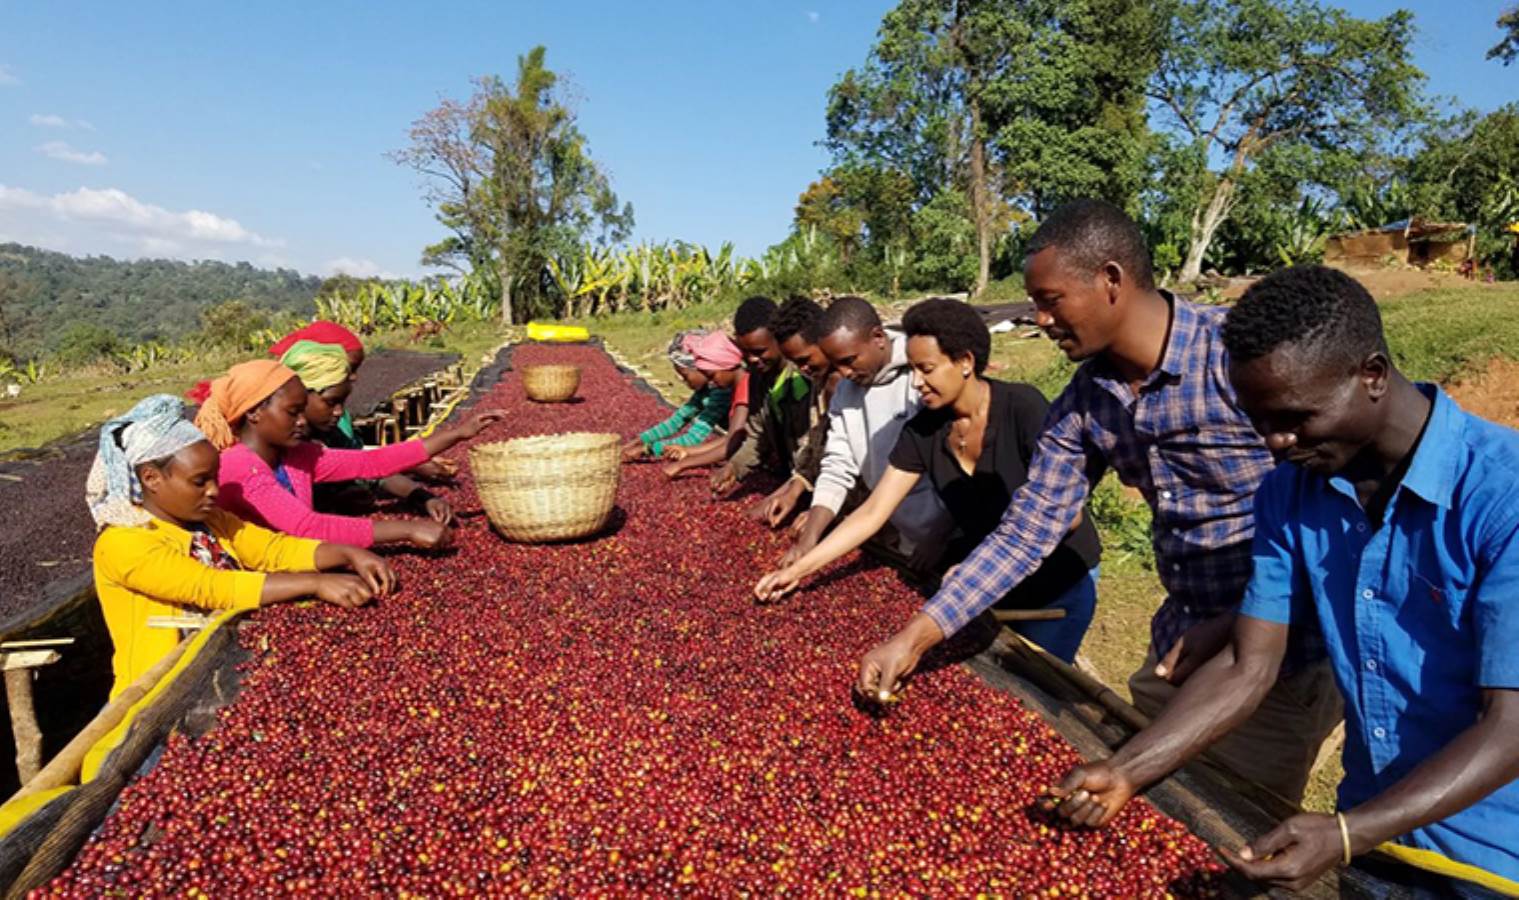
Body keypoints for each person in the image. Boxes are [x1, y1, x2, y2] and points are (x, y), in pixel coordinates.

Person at [1046, 266, 1519, 896]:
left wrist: (1348, 832)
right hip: (1378, 839)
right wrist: (1128, 770)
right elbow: (1249, 661)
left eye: (1296, 418)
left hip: (1490, 858)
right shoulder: (1290, 494)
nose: (1275, 442)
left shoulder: (1501, 497)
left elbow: (1510, 724)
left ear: (1372, 375)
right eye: (1260, 420)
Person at [855, 200, 1341, 805]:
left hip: (1283, 657)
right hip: (1180, 642)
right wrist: (917, 635)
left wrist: (1241, 621)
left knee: (1229, 820)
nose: (1040, 318)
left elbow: (1340, 513)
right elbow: (1026, 531)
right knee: (1161, 802)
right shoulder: (1088, 403)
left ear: (1111, 280)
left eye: (1051, 300)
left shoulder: (1237, 358)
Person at [754, 298, 1102, 662]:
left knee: (1042, 687)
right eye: (914, 371)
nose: (917, 383)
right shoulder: (924, 431)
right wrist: (799, 570)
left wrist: (971, 568)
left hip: (1058, 583)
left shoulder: (1022, 407)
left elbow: (1066, 515)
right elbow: (873, 512)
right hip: (988, 582)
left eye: (926, 369)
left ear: (965, 362)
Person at [88, 395, 395, 697]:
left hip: (222, 682)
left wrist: (346, 552)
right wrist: (315, 583)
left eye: (214, 479)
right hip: (157, 700)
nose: (214, 491)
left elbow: (274, 550)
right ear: (152, 478)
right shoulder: (123, 541)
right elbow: (210, 587)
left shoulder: (213, 521)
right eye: (199, 481)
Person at [194, 360, 498, 548]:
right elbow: (306, 527)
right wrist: (407, 529)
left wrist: (456, 434)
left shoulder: (297, 456)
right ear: (255, 413)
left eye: (302, 411)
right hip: (258, 574)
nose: (302, 421)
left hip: (303, 564)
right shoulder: (238, 467)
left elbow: (371, 463)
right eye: (292, 412)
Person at [784, 297, 949, 571]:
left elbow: (960, 470)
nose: (844, 373)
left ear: (878, 337)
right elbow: (837, 466)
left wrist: (940, 536)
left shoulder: (920, 380)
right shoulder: (845, 394)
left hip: (951, 534)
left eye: (849, 361)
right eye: (836, 365)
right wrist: (808, 542)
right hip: (905, 537)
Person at [280, 340, 452, 524]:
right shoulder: (280, 451)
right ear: (298, 397)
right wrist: (333, 500)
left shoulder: (332, 435)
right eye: (331, 402)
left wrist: (421, 497)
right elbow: (299, 523)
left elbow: (370, 468)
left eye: (342, 403)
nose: (339, 412)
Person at [662, 297, 792, 490]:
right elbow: (749, 435)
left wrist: (684, 461)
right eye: (746, 353)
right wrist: (731, 467)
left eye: (759, 351)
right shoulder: (756, 379)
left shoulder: (784, 380)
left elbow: (736, 440)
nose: (752, 360)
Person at [747, 297, 841, 529]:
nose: (802, 369)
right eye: (795, 363)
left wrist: (821, 510)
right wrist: (793, 490)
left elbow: (851, 460)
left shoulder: (847, 382)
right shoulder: (818, 382)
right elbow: (816, 447)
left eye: (805, 360)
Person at [622, 330, 743, 462]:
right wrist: (638, 441)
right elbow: (677, 421)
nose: (681, 380)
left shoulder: (722, 392)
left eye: (685, 375)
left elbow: (693, 438)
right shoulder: (706, 390)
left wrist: (648, 449)